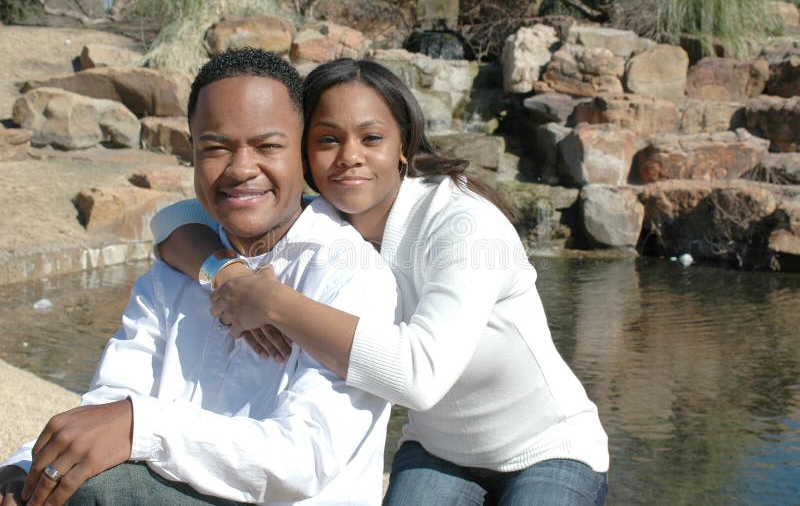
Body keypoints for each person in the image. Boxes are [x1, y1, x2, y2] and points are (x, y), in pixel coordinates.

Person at [150, 58, 610, 505]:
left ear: (403, 145)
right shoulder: (330, 219)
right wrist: (226, 271)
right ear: (303, 152)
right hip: (439, 451)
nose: (350, 157)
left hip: (548, 448)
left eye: (371, 138)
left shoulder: (465, 225)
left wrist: (272, 302)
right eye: (328, 139)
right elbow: (173, 220)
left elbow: (418, 376)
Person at [0, 49, 401, 506]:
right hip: (173, 486)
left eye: (268, 146)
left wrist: (140, 425)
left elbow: (301, 462)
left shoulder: (349, 273)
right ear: (191, 152)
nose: (241, 168)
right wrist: (28, 468)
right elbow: (112, 398)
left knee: (95, 491)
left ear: (303, 155)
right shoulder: (177, 266)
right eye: (216, 147)